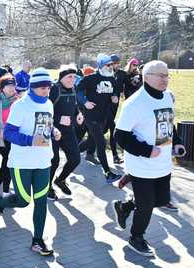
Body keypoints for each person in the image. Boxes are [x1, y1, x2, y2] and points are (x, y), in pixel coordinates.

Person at [112, 60, 186, 257]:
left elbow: (170, 123)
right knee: (146, 205)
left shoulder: (167, 98)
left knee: (160, 200)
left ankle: (125, 206)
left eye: (167, 75)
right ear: (147, 77)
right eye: (161, 75)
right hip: (141, 164)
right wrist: (145, 150)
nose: (165, 79)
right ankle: (136, 238)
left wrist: (177, 141)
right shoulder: (134, 103)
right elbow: (120, 136)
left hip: (163, 163)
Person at [0, 68, 61, 256]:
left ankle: (38, 241)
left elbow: (48, 125)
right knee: (23, 200)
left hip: (44, 161)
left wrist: (54, 132)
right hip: (22, 162)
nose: (47, 91)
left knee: (41, 200)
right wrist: (30, 140)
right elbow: (9, 133)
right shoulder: (20, 106)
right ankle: (1, 202)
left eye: (49, 87)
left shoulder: (49, 104)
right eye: (42, 88)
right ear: (33, 87)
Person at [77, 54, 122, 184]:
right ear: (101, 66)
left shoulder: (112, 79)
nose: (111, 67)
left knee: (91, 141)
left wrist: (114, 97)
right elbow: (79, 90)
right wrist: (85, 102)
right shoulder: (91, 78)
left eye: (111, 65)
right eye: (108, 65)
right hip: (91, 116)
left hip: (104, 116)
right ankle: (108, 173)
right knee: (101, 143)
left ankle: (73, 153)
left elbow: (113, 93)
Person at [47, 66, 83, 200]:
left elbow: (74, 106)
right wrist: (58, 119)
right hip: (53, 131)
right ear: (62, 78)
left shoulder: (73, 88)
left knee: (75, 159)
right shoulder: (54, 89)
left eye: (74, 77)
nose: (72, 79)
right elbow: (44, 112)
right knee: (54, 160)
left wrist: (78, 114)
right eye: (69, 77)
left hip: (68, 131)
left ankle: (60, 180)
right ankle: (47, 187)